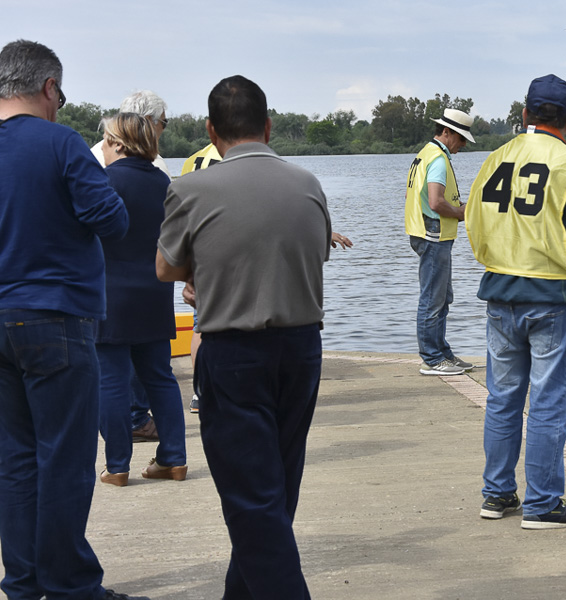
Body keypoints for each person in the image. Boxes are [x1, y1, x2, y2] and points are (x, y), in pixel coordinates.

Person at [156, 74, 331, 599]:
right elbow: (314, 253)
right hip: (302, 347)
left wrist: (208, 275)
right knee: (278, 486)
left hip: (233, 350)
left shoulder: (189, 188)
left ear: (211, 131)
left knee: (251, 497)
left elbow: (166, 269)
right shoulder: (308, 183)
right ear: (269, 126)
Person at [0, 39, 146, 600]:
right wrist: (101, 170)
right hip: (55, 316)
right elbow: (112, 222)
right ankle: (70, 586)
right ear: (49, 88)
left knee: (16, 458)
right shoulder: (61, 142)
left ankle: (23, 582)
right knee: (63, 456)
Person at [465, 74, 566, 529]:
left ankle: (496, 495)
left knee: (502, 399)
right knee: (549, 401)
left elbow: (474, 222)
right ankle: (543, 504)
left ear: (525, 113)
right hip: (553, 297)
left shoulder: (495, 157)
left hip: (499, 294)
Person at [176, 142, 351, 415]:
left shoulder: (193, 160)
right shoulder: (242, 162)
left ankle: (201, 393)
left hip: (203, 250)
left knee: (201, 325)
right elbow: (263, 210)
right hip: (234, 249)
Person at [96, 112, 187, 486]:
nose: (102, 145)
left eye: (105, 138)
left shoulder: (103, 181)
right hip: (155, 291)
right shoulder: (165, 183)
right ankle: (174, 460)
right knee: (161, 378)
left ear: (118, 143)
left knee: (112, 381)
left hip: (109, 293)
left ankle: (117, 466)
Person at [404, 107, 475, 376]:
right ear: (446, 132)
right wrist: (460, 213)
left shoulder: (427, 153)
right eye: (461, 138)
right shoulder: (438, 159)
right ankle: (432, 359)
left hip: (426, 232)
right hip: (433, 234)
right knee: (433, 299)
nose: (463, 145)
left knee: (442, 297)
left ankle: (442, 352)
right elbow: (435, 201)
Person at [91, 90, 171, 176]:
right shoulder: (154, 164)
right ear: (148, 121)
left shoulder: (93, 153)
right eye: (163, 123)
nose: (163, 129)